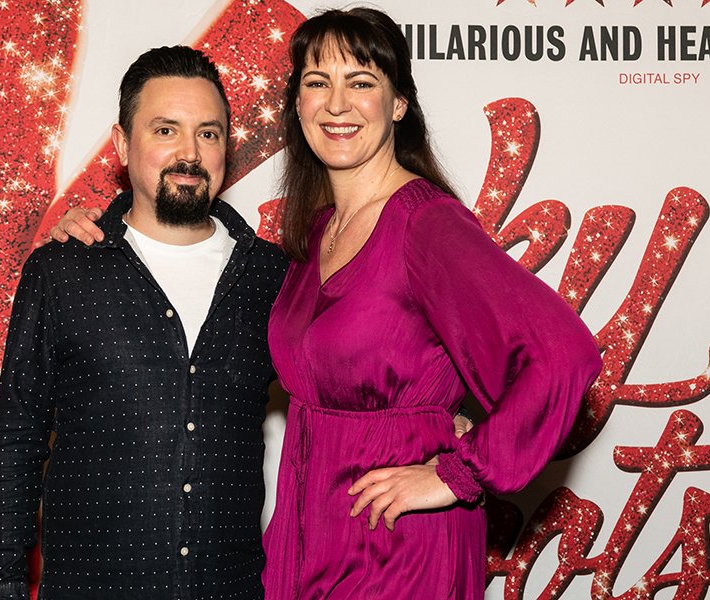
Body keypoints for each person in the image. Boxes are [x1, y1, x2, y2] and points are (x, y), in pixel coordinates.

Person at [51, 8, 600, 599]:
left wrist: (458, 471)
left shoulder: (426, 224)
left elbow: (562, 355)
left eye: (361, 82)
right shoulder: (314, 236)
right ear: (298, 104)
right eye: (318, 82)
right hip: (310, 529)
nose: (337, 104)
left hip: (395, 541)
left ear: (398, 104)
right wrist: (105, 228)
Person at [0, 46, 287, 599]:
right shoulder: (63, 270)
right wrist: (2, 581)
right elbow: (16, 435)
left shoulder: (272, 276)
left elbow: (341, 397)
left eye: (208, 133)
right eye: (166, 130)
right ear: (122, 144)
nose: (190, 153)